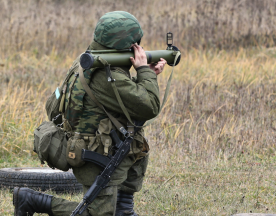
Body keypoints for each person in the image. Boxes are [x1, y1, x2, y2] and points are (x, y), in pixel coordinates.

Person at [13, 11, 167, 216]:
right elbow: (149, 106)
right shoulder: (108, 75)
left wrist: (143, 73)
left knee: (122, 200)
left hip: (96, 146)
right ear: (129, 45)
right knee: (96, 214)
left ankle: (123, 211)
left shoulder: (85, 61)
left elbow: (126, 101)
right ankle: (31, 200)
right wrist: (145, 72)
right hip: (96, 155)